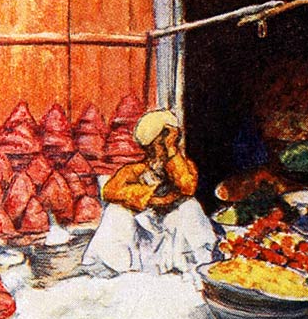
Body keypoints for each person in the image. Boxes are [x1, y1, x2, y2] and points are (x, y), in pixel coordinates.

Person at [83, 110, 217, 277]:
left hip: (174, 222)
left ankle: (197, 264)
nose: (158, 150)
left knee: (191, 207)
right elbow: (109, 190)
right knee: (115, 211)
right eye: (156, 145)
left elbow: (187, 186)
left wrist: (171, 149)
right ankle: (117, 265)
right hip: (143, 225)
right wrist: (148, 195)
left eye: (163, 143)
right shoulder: (137, 169)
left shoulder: (183, 165)